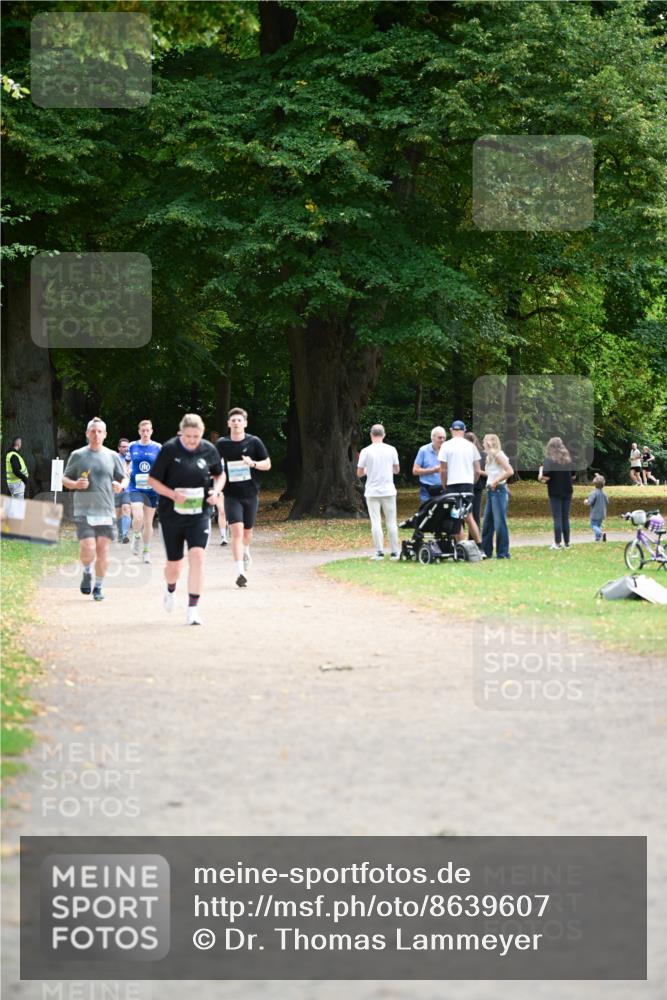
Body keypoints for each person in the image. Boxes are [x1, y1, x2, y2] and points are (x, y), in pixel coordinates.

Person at [147, 413, 224, 625]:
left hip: (199, 514)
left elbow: (220, 474)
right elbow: (152, 480)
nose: (192, 441)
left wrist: (215, 491)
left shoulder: (209, 449)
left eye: (196, 436)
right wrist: (173, 495)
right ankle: (170, 589)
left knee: (198, 557)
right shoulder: (170, 450)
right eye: (188, 436)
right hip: (171, 515)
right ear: (181, 432)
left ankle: (193, 609)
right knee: (174, 566)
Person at [62, 417, 128, 602]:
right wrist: (75, 484)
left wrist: (120, 486)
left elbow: (124, 478)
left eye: (100, 431)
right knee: (88, 547)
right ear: (87, 433)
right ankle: (87, 572)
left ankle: (98, 587)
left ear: (105, 435)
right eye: (93, 431)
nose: (96, 434)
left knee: (103, 550)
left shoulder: (112, 456)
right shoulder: (78, 455)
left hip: (106, 509)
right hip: (83, 509)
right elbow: (64, 479)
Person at [215, 407, 271, 588]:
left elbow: (267, 464)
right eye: (233, 420)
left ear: (245, 423)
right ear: (228, 423)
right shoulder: (222, 444)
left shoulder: (254, 442)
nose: (236, 423)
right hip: (231, 495)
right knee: (237, 532)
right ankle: (240, 572)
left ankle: (246, 551)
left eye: (240, 420)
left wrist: (252, 463)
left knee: (247, 533)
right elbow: (214, 466)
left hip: (251, 494)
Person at [357, 424, 400, 561]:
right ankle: (394, 552)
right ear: (384, 434)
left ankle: (379, 552)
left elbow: (359, 472)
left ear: (371, 435)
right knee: (391, 522)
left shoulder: (366, 451)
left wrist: (367, 471)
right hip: (388, 490)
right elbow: (396, 470)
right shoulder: (391, 450)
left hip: (372, 491)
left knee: (375, 522)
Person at [438, 420, 483, 550]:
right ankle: (480, 546)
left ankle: (461, 547)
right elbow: (477, 470)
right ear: (463, 431)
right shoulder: (471, 446)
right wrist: (472, 482)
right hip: (468, 484)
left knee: (455, 515)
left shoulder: (446, 446)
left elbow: (442, 470)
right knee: (469, 516)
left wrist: (444, 485)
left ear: (451, 430)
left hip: (452, 484)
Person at [127, 419, 162, 563]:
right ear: (139, 431)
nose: (146, 433)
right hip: (135, 487)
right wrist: (126, 470)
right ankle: (136, 535)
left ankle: (146, 550)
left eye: (148, 430)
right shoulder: (132, 446)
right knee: (138, 517)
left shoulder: (158, 447)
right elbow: (127, 462)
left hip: (151, 489)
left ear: (152, 431)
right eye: (143, 430)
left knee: (148, 523)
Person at [538, 437, 576, 550]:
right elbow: (573, 476)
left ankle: (557, 543)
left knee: (557, 518)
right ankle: (567, 543)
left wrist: (540, 471)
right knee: (565, 517)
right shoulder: (568, 460)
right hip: (567, 491)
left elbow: (545, 477)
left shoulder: (549, 460)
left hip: (555, 492)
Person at [481, 433, 514, 559]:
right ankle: (486, 551)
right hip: (491, 492)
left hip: (498, 491)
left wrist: (495, 482)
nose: (483, 443)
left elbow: (509, 471)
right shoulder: (490, 457)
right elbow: (494, 473)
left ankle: (503, 553)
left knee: (500, 523)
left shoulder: (498, 455)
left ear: (490, 443)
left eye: (484, 441)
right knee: (488, 523)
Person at [412, 427, 446, 504]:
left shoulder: (448, 450)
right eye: (440, 437)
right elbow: (415, 471)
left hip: (444, 489)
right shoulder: (423, 450)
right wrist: (433, 470)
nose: (442, 440)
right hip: (426, 490)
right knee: (426, 514)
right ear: (432, 438)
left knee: (442, 514)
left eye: (444, 438)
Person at [464, 431, 487, 535]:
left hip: (476, 487)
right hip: (464, 486)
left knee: (474, 514)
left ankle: (473, 539)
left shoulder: (482, 455)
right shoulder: (462, 454)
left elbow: (486, 472)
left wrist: (477, 473)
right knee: (462, 514)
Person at [114, 438, 131, 543]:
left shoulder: (132, 459)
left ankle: (124, 535)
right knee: (118, 514)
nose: (126, 449)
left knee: (126, 509)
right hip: (116, 489)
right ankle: (120, 534)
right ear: (119, 448)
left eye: (127, 447)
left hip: (128, 490)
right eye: (123, 447)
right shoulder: (114, 458)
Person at [584, 474, 608, 542]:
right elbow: (607, 502)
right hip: (602, 513)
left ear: (594, 484)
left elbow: (590, 502)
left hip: (595, 513)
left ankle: (601, 533)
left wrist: (586, 501)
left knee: (593, 525)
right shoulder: (604, 493)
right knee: (598, 526)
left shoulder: (594, 493)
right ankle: (597, 539)